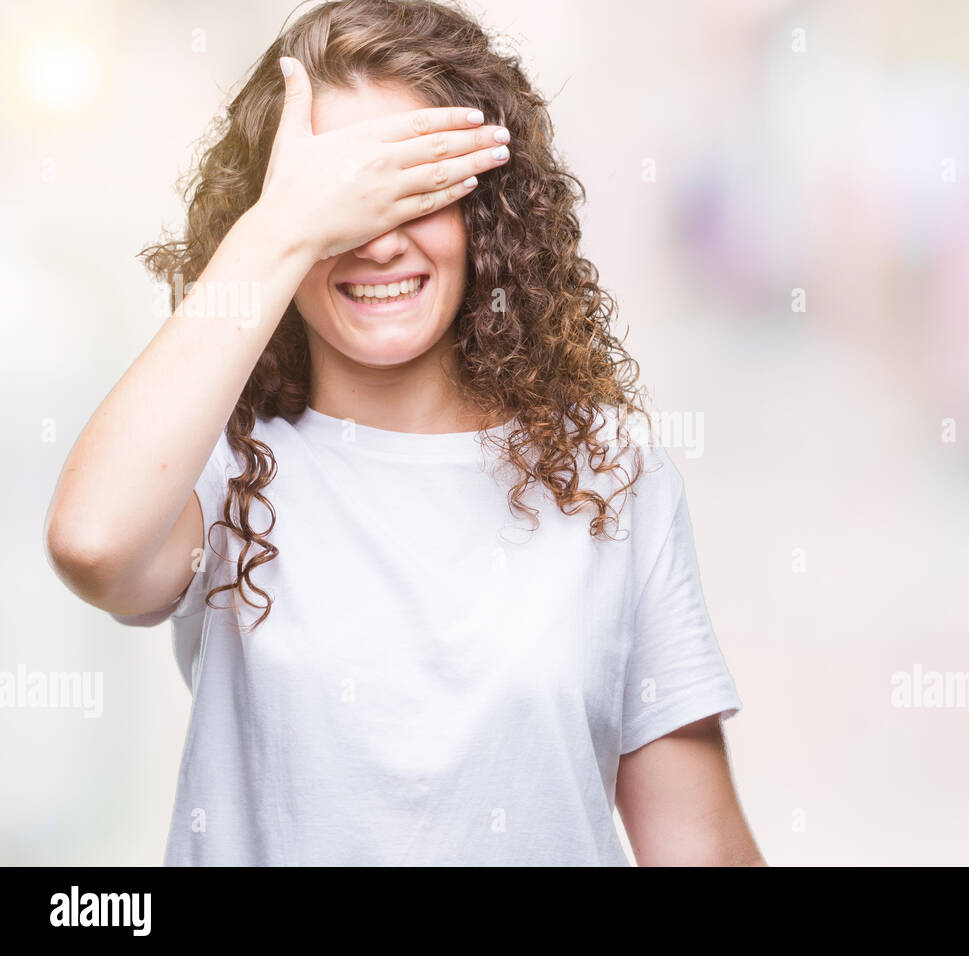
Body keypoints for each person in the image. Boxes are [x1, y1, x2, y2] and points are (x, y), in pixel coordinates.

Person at [43, 0, 763, 866]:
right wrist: (281, 224)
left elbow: (698, 848)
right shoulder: (221, 469)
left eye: (414, 190)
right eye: (344, 204)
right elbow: (92, 545)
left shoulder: (611, 472)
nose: (376, 245)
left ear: (487, 214)